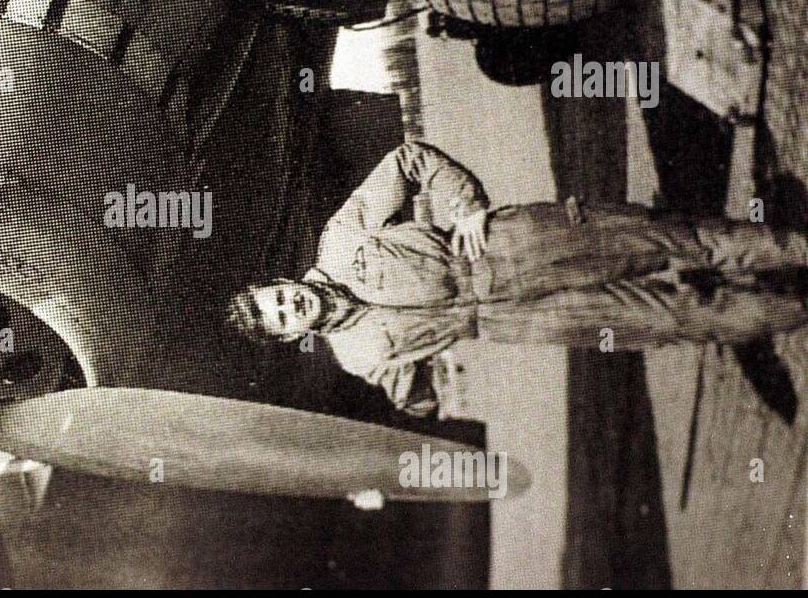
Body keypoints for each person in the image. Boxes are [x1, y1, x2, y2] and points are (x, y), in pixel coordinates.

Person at [226, 140, 808, 417]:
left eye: (278, 296)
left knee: (676, 241)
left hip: (506, 247)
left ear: (282, 280)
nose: (291, 306)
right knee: (668, 320)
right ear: (287, 336)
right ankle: (794, 312)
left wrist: (463, 206)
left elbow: (407, 163)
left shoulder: (340, 238)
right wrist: (422, 409)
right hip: (511, 321)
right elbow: (411, 392)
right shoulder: (354, 356)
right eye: (281, 317)